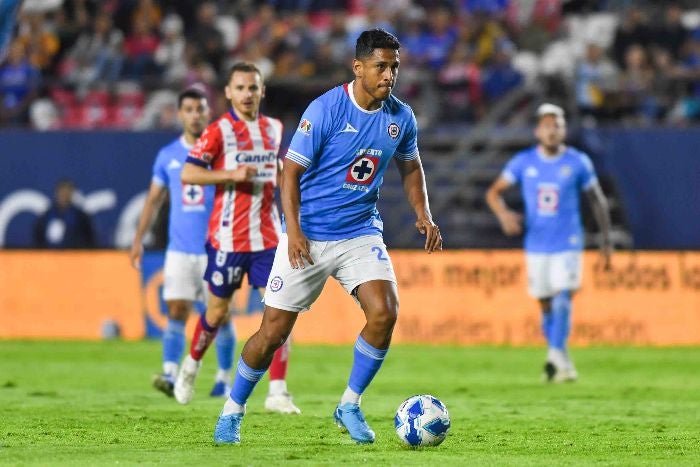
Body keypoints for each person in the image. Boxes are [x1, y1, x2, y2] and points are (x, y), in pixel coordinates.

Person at [212, 29, 443, 445]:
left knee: (385, 313)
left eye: (394, 67)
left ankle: (349, 404)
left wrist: (422, 214)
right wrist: (294, 231)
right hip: (310, 235)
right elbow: (290, 173)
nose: (389, 74)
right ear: (358, 67)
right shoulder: (326, 111)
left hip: (359, 232)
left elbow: (411, 167)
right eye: (381, 66)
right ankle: (233, 411)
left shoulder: (400, 117)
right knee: (272, 334)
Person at [174, 62, 300, 415]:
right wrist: (231, 173)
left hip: (268, 240)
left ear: (262, 92)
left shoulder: (274, 129)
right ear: (228, 93)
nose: (247, 94)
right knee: (216, 313)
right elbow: (188, 172)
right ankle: (191, 366)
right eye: (241, 88)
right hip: (228, 240)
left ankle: (278, 390)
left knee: (281, 313)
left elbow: (278, 173)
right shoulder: (217, 132)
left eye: (253, 88)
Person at [485, 103, 612, 383]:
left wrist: (606, 241)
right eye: (547, 126)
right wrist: (505, 215)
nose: (552, 131)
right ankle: (562, 360)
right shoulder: (524, 162)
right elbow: (494, 193)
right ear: (537, 131)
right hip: (536, 243)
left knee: (563, 296)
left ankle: (553, 355)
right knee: (544, 302)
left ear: (564, 130)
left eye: (558, 125)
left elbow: (598, 200)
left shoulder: (578, 162)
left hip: (568, 241)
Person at [130, 88, 233, 398]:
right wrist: (138, 240)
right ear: (180, 114)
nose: (195, 114)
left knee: (220, 314)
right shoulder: (168, 156)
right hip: (179, 250)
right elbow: (153, 200)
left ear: (208, 112)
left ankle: (224, 378)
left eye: (201, 108)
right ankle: (171, 373)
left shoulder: (222, 152)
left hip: (216, 248)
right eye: (189, 109)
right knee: (176, 309)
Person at [34, 179, 96, 249]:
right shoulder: (46, 216)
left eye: (67, 192)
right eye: (62, 192)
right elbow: (38, 238)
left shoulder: (81, 217)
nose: (64, 195)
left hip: (74, 257)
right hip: (49, 256)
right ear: (56, 193)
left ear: (72, 194)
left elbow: (90, 239)